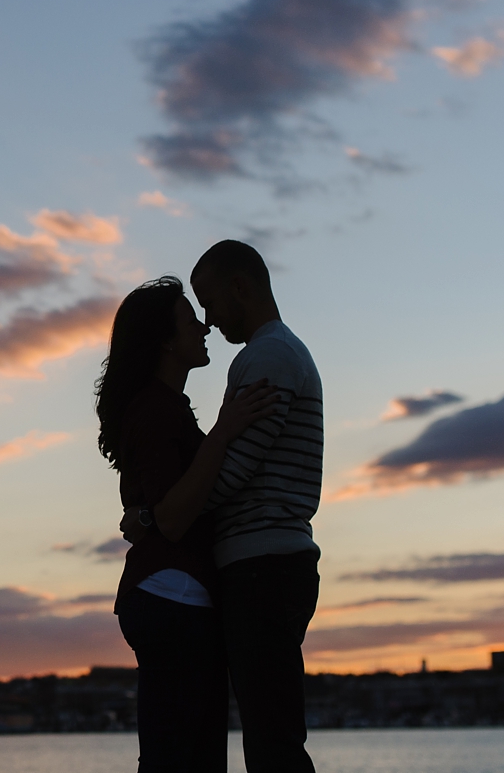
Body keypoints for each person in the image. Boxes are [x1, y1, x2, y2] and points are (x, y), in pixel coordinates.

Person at [96, 275, 278, 773]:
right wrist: (226, 430)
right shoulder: (154, 411)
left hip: (175, 598)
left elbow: (155, 507)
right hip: (173, 599)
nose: (204, 327)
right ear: (164, 340)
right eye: (188, 319)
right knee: (180, 760)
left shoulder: (165, 409)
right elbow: (174, 519)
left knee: (181, 757)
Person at [190, 240, 324, 773]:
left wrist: (172, 507)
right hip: (273, 564)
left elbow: (226, 478)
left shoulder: (265, 358)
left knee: (272, 741)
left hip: (261, 568)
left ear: (238, 288)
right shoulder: (280, 353)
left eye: (211, 302)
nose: (208, 320)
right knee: (272, 734)